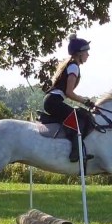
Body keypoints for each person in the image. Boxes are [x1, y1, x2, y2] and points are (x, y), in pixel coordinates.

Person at [43, 34, 96, 163]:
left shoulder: (71, 65)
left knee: (79, 116)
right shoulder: (74, 67)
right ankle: (76, 152)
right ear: (79, 53)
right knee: (82, 118)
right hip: (54, 102)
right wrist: (85, 101)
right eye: (86, 52)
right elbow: (69, 93)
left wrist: (84, 100)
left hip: (52, 100)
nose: (88, 55)